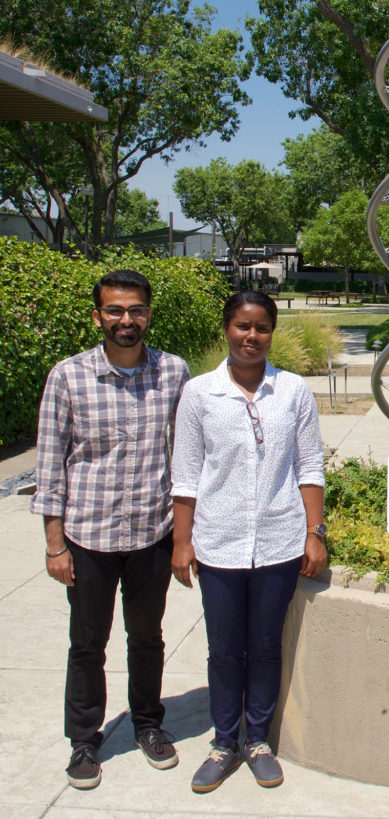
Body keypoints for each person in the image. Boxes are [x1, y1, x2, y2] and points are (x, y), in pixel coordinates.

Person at [31, 269, 189, 789]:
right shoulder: (68, 376)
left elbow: (187, 455)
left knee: (147, 638)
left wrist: (185, 535)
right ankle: (84, 739)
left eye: (136, 309)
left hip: (150, 534)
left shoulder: (173, 373)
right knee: (87, 643)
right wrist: (55, 544)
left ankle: (148, 725)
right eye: (116, 310)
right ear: (98, 315)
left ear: (148, 313)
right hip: (88, 538)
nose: (127, 319)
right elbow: (51, 466)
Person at [170, 291, 326, 793]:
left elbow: (309, 466)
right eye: (241, 326)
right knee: (224, 649)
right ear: (226, 330)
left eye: (261, 327)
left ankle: (257, 740)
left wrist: (313, 531)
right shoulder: (199, 393)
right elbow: (186, 474)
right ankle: (223, 742)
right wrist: (182, 541)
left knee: (263, 648)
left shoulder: (294, 391)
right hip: (219, 542)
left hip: (280, 541)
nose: (251, 337)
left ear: (272, 332)